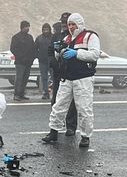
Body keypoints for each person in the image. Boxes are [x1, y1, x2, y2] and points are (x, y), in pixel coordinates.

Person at [41, 13, 100, 147]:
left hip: (83, 78)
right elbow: (59, 57)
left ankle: (85, 136)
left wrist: (77, 53)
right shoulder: (66, 39)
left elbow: (95, 54)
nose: (71, 27)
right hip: (67, 77)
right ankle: (53, 131)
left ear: (79, 24)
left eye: (73, 24)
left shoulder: (90, 36)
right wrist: (58, 51)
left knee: (84, 108)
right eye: (69, 24)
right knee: (59, 105)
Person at [49, 12, 77, 134]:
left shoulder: (75, 37)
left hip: (70, 73)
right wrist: (53, 63)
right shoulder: (56, 36)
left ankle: (70, 126)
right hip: (57, 72)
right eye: (63, 22)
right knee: (55, 100)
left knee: (70, 101)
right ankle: (55, 127)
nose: (64, 24)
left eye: (66, 22)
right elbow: (49, 51)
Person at [10, 20, 35, 101]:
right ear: (21, 28)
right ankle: (16, 94)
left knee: (25, 78)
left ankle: (22, 93)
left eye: (28, 27)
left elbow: (33, 48)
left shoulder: (30, 37)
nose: (27, 28)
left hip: (28, 62)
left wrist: (32, 58)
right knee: (19, 79)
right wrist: (20, 56)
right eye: (25, 27)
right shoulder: (16, 37)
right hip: (20, 62)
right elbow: (13, 49)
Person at [35, 23, 54, 100]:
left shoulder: (53, 37)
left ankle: (55, 92)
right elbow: (35, 48)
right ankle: (46, 93)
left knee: (54, 77)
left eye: (47, 29)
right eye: (44, 29)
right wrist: (38, 56)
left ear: (49, 29)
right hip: (42, 61)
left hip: (52, 61)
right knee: (44, 78)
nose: (46, 31)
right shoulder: (39, 38)